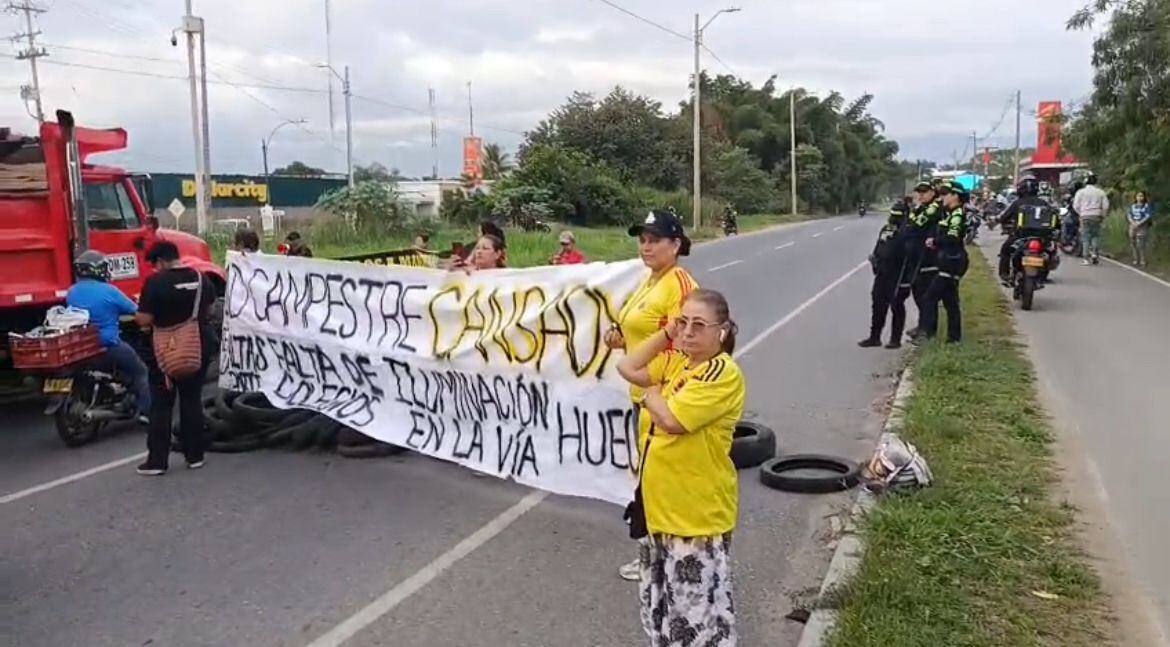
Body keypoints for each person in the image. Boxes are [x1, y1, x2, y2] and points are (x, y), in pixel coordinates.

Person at [616, 289, 745, 647]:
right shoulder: (677, 362)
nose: (688, 332)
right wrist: (666, 334)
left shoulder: (721, 373)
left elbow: (673, 420)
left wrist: (653, 397)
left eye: (698, 325)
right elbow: (628, 367)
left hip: (693, 514)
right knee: (661, 608)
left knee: (696, 618)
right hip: (658, 509)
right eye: (683, 322)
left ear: (721, 331)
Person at [608, 209, 698, 582]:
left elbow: (686, 341)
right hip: (641, 392)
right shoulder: (650, 280)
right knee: (645, 474)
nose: (646, 246)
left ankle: (663, 555)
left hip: (660, 394)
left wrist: (663, 393)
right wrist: (620, 337)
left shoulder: (678, 284)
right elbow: (640, 327)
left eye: (655, 239)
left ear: (675, 244)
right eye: (642, 239)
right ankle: (652, 550)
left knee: (658, 477)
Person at [134, 241, 217, 475]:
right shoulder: (200, 278)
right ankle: (195, 456)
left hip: (167, 352)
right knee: (191, 399)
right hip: (197, 345)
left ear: (160, 262)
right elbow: (210, 311)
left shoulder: (155, 283)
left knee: (162, 403)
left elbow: (144, 319)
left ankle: (157, 461)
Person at [65, 250, 151, 423]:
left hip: (84, 348)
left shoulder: (72, 292)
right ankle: (146, 413)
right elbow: (136, 311)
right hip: (108, 345)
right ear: (97, 270)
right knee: (141, 371)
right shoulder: (109, 291)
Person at [918, 181, 970, 344]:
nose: (942, 197)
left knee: (929, 298)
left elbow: (953, 237)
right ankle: (954, 339)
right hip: (949, 260)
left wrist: (935, 241)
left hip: (952, 260)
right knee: (950, 301)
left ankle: (926, 334)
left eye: (946, 194)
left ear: (955, 196)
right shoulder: (949, 213)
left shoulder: (957, 214)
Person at [859, 200, 909, 349]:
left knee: (896, 305)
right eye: (892, 213)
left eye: (897, 213)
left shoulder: (906, 231)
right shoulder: (886, 228)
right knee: (878, 304)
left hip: (898, 273)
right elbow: (879, 246)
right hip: (882, 271)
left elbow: (907, 254)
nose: (893, 216)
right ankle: (875, 337)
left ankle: (895, 339)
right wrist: (875, 260)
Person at [997, 177, 1059, 283]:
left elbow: (1004, 218)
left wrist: (1003, 223)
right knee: (1050, 251)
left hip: (1021, 235)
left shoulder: (1017, 203)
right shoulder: (1044, 203)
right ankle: (1043, 276)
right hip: (1042, 237)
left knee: (1005, 250)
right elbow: (1056, 221)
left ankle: (1005, 274)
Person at [902, 181, 942, 338]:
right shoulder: (921, 208)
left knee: (926, 296)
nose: (920, 195)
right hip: (917, 256)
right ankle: (922, 326)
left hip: (928, 258)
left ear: (933, 192)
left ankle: (928, 331)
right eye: (919, 192)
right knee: (918, 294)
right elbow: (908, 226)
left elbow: (914, 227)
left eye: (924, 192)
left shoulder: (934, 209)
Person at [1072, 173, 1109, 265]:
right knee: (1095, 236)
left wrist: (1081, 213)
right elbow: (1106, 206)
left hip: (1085, 216)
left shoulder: (1080, 192)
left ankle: (1086, 259)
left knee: (1085, 237)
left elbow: (1075, 205)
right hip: (1097, 216)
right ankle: (1094, 254)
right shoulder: (1101, 192)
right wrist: (1102, 215)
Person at [1128, 191, 1154, 267]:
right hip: (1133, 225)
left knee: (1140, 243)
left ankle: (1143, 260)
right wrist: (1133, 222)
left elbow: (1148, 216)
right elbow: (1129, 215)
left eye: (1141, 196)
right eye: (1138, 196)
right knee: (1132, 242)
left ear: (1144, 197)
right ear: (1135, 197)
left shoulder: (1146, 206)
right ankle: (1135, 259)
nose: (1140, 198)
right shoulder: (1133, 206)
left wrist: (1139, 223)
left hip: (1142, 225)